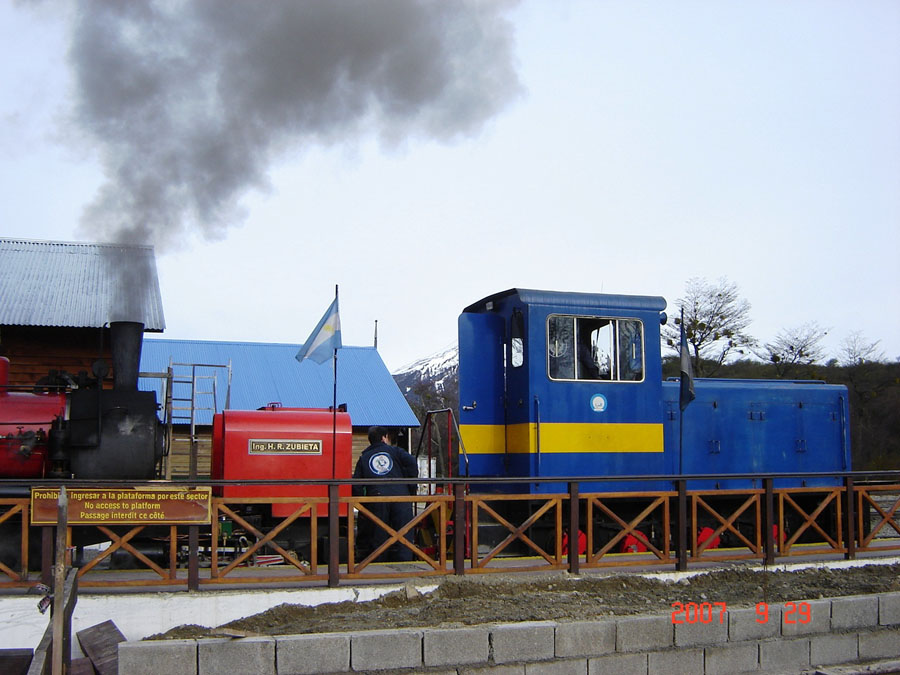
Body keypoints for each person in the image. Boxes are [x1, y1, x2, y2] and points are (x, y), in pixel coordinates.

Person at [352, 425, 418, 562]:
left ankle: (379, 568)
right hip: (401, 498)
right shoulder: (396, 451)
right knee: (403, 535)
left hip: (377, 499)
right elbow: (412, 462)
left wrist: (363, 505)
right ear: (384, 437)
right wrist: (410, 486)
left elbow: (356, 485)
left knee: (378, 537)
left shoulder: (364, 458)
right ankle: (404, 567)